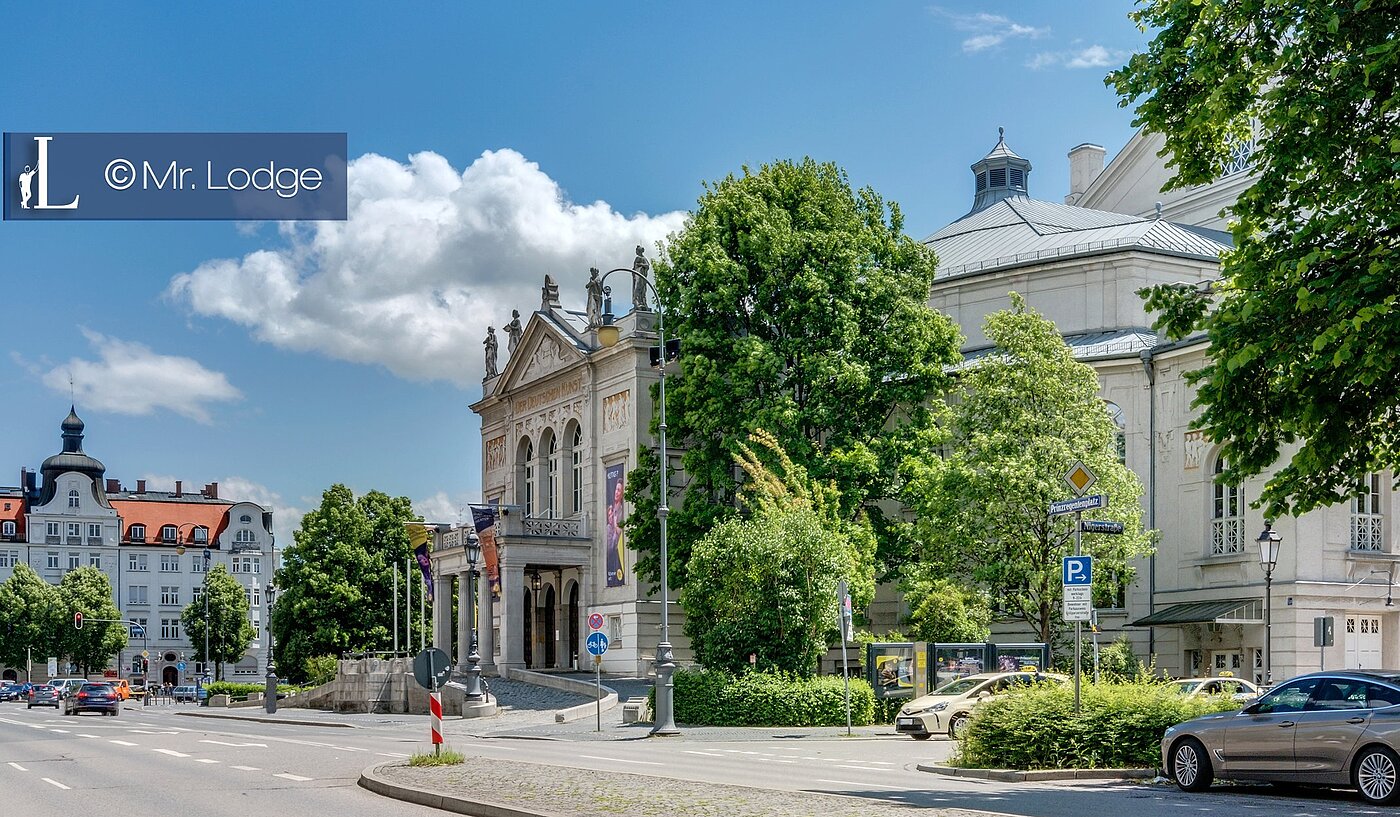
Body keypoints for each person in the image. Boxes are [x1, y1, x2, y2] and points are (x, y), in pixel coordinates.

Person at [631, 245, 650, 311]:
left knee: (642, 289)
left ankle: (642, 302)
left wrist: (640, 265)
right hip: (637, 276)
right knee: (637, 289)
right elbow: (634, 268)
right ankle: (637, 302)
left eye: (637, 250)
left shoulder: (643, 258)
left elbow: (647, 266)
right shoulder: (637, 258)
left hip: (642, 276)